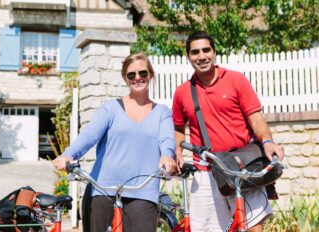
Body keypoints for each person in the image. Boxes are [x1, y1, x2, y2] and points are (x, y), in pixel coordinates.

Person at [172, 31, 284, 232]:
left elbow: (256, 118)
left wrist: (267, 142)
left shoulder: (236, 80)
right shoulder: (182, 92)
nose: (202, 56)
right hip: (206, 170)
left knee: (253, 228)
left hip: (241, 166)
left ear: (214, 52)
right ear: (188, 57)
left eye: (206, 50)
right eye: (195, 52)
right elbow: (178, 129)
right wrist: (177, 154)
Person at [53, 52, 177, 232]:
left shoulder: (162, 112)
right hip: (104, 187)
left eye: (143, 73)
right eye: (131, 75)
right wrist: (68, 155)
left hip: (143, 190)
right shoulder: (111, 108)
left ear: (150, 74)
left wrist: (167, 156)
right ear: (125, 78)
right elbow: (90, 135)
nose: (138, 78)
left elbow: (166, 139)